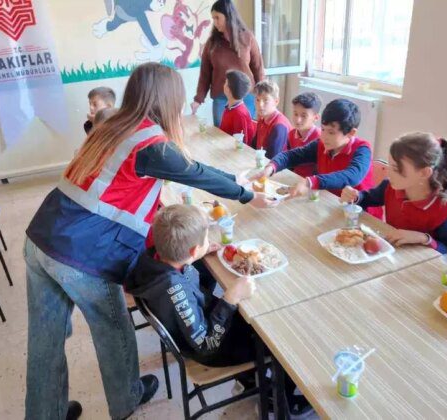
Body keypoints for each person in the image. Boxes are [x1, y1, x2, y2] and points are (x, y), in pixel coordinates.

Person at [23, 62, 278, 420]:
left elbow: (117, 187)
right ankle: (128, 400)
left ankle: (44, 414)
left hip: (41, 234)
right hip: (79, 253)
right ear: (167, 100)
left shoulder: (112, 124)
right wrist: (247, 194)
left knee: (45, 338)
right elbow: (197, 173)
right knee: (113, 329)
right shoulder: (150, 143)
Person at [126, 204, 313, 417]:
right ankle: (280, 402)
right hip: (211, 347)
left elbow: (186, 275)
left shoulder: (153, 259)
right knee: (283, 336)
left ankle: (250, 378)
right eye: (203, 242)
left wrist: (197, 255)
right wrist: (230, 298)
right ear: (193, 250)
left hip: (202, 322)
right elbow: (206, 344)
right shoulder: (173, 290)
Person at [252, 99, 381, 219]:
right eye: (323, 129)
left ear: (351, 133)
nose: (323, 136)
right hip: (331, 207)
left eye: (331, 132)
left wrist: (310, 182)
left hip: (361, 215)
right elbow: (291, 156)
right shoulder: (322, 143)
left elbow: (352, 176)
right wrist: (271, 167)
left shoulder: (362, 149)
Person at [341, 132, 447, 253]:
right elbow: (367, 198)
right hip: (392, 256)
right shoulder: (390, 186)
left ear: (424, 173)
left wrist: (424, 238)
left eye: (396, 169)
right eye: (389, 165)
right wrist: (355, 196)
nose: (388, 172)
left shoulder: (446, 211)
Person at [191, 0, 264, 126]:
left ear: (228, 16)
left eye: (217, 18)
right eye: (213, 18)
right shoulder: (212, 43)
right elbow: (205, 74)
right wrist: (198, 99)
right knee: (220, 135)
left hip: (246, 96)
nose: (214, 22)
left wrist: (263, 94)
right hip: (221, 97)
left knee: (243, 136)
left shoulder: (248, 38)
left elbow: (258, 68)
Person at [252, 80, 292, 160]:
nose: (260, 105)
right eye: (257, 100)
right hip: (261, 161)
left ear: (276, 101)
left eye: (266, 100)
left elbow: (272, 158)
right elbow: (254, 145)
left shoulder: (279, 127)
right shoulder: (262, 118)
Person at [285, 92, 322, 177]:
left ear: (315, 117)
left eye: (304, 116)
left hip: (311, 183)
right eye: (295, 114)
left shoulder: (320, 138)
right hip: (294, 177)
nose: (298, 120)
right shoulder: (291, 134)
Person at [219, 70, 256, 145]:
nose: (223, 85)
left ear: (228, 89)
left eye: (225, 83)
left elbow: (240, 143)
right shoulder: (229, 107)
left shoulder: (239, 114)